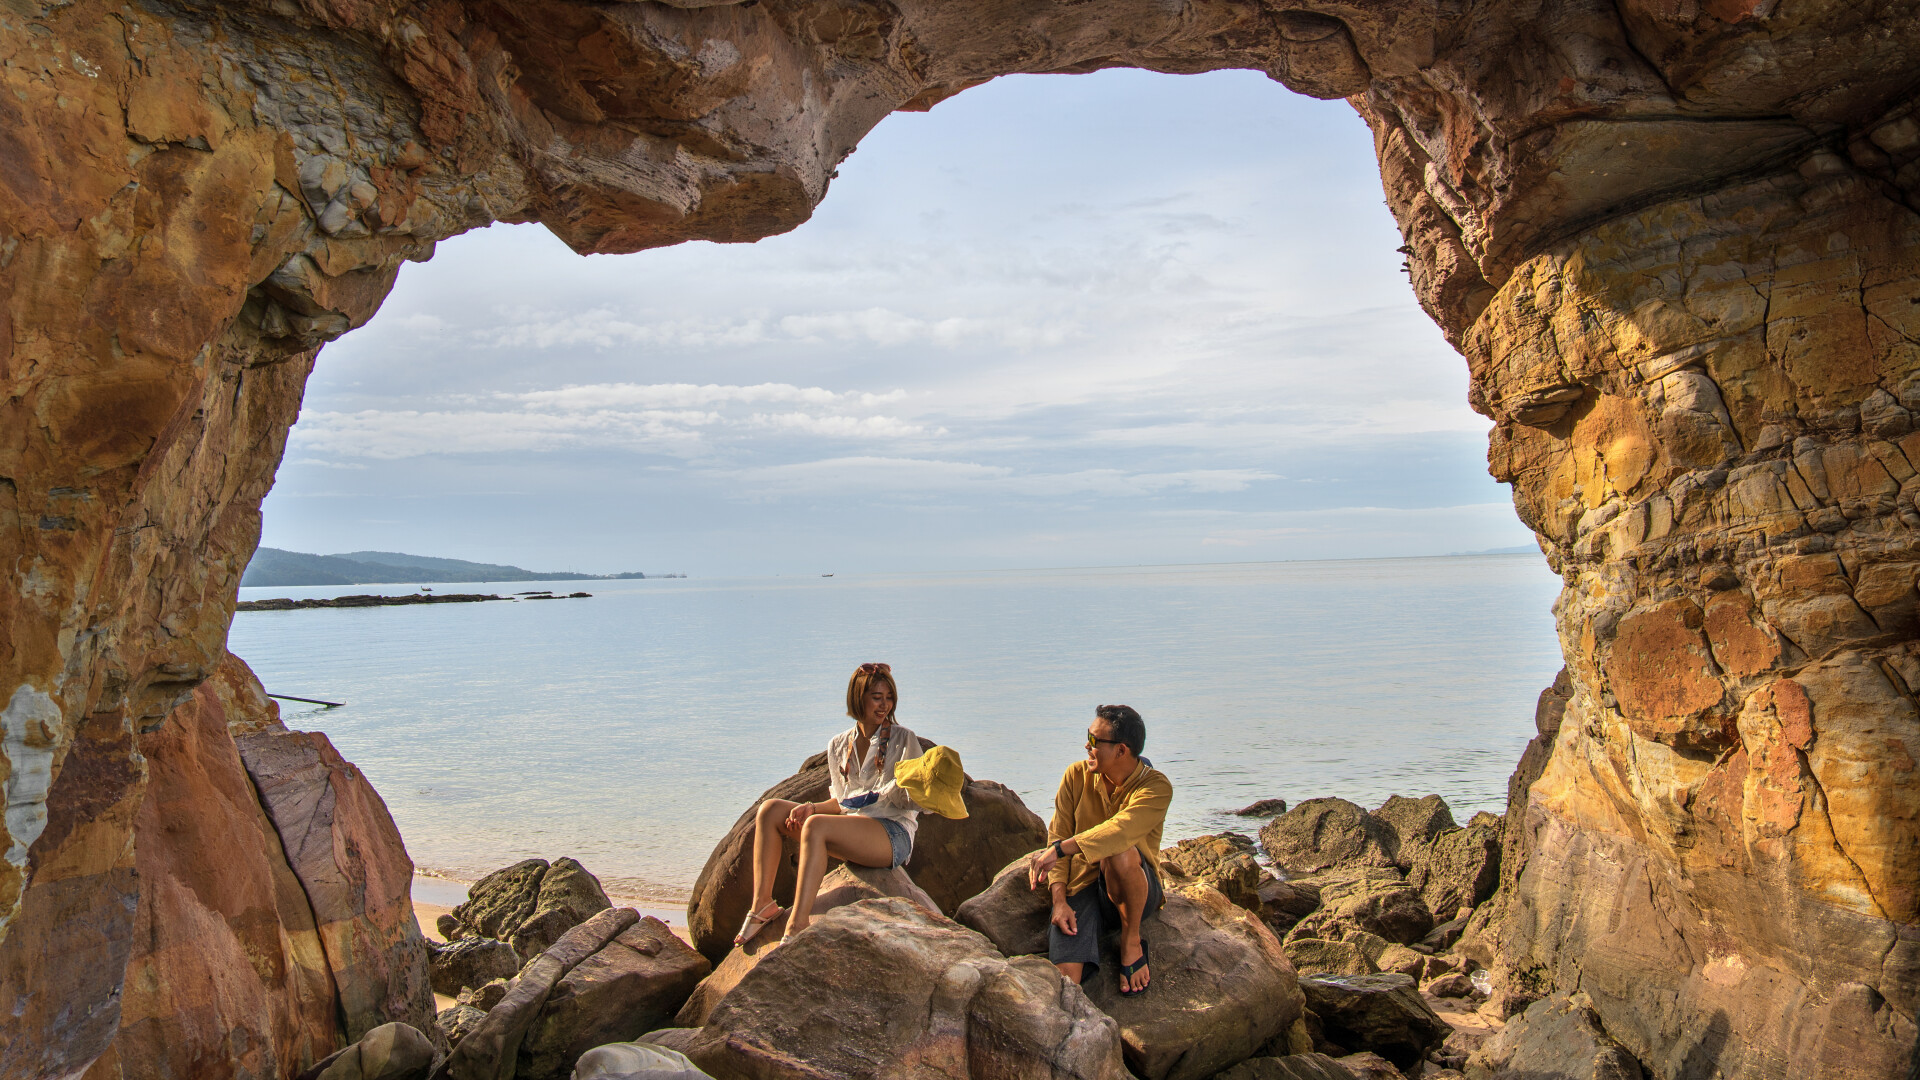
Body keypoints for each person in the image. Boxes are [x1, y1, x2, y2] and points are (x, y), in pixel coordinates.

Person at [734, 662, 926, 946]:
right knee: (771, 810)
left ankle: (797, 926)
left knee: (816, 826)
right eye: (876, 697)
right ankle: (762, 906)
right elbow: (843, 802)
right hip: (850, 827)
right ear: (858, 698)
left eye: (889, 697)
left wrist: (912, 788)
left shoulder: (903, 739)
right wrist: (811, 807)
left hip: (891, 833)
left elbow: (915, 799)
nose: (884, 704)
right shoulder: (838, 745)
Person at [1027, 704, 1172, 996]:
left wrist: (1060, 849)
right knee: (1066, 983)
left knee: (1118, 852)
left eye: (1094, 741)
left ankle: (1130, 942)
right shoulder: (1075, 776)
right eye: (1087, 736)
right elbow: (1058, 832)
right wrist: (1058, 900)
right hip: (1082, 887)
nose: (1086, 745)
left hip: (1135, 887)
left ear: (1121, 750)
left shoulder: (1156, 787)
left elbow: (1119, 831)